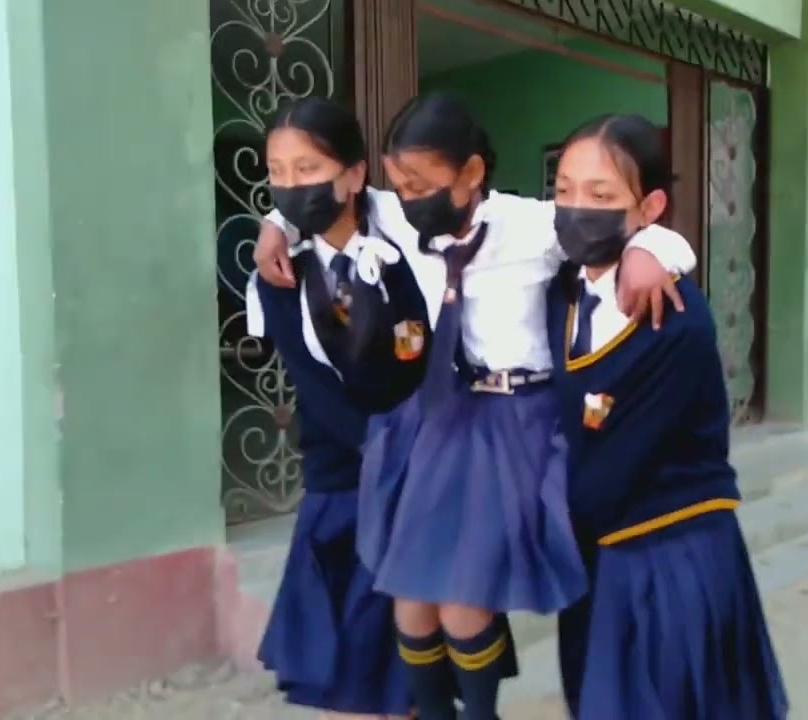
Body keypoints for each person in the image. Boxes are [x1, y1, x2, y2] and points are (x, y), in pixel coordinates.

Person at [253, 93, 698, 720]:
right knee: (410, 601)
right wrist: (276, 224)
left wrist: (654, 254)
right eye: (401, 184)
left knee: (464, 602)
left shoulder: (533, 226)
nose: (409, 197)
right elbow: (330, 198)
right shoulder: (401, 220)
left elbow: (637, 231)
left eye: (423, 184)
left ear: (471, 173)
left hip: (515, 419)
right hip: (442, 416)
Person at [547, 113, 789, 720]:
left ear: (649, 206)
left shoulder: (674, 319)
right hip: (593, 553)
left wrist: (527, 529)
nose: (577, 210)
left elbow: (614, 469)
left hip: (665, 559)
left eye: (601, 196)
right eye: (564, 190)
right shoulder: (561, 291)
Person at [244, 96, 430, 720]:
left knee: (410, 676)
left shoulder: (410, 252)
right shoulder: (278, 276)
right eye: (277, 172)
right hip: (342, 488)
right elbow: (315, 388)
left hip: (416, 481)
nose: (292, 186)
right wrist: (384, 450)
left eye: (308, 169)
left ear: (353, 175)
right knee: (346, 676)